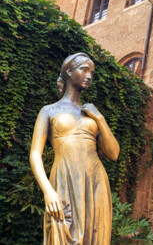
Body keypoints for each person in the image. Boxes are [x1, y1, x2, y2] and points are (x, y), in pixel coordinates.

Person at [29, 52, 120, 244]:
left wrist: (100, 119)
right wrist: (48, 191)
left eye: (92, 73)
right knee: (61, 230)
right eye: (85, 70)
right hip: (64, 177)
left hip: (95, 180)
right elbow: (35, 153)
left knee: (95, 235)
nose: (89, 76)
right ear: (69, 72)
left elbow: (113, 154)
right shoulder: (49, 110)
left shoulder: (91, 114)